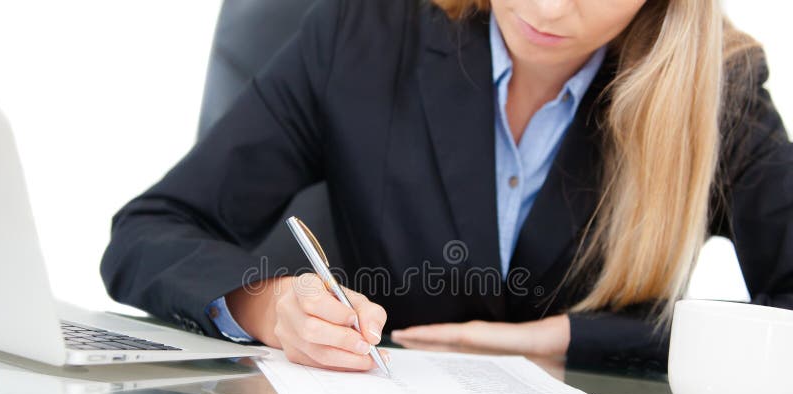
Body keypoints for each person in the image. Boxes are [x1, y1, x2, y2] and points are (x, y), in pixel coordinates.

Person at [101, 0, 793, 374]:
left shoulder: (718, 93)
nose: (550, 10)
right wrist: (272, 305)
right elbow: (150, 233)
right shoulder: (366, 30)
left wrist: (567, 339)